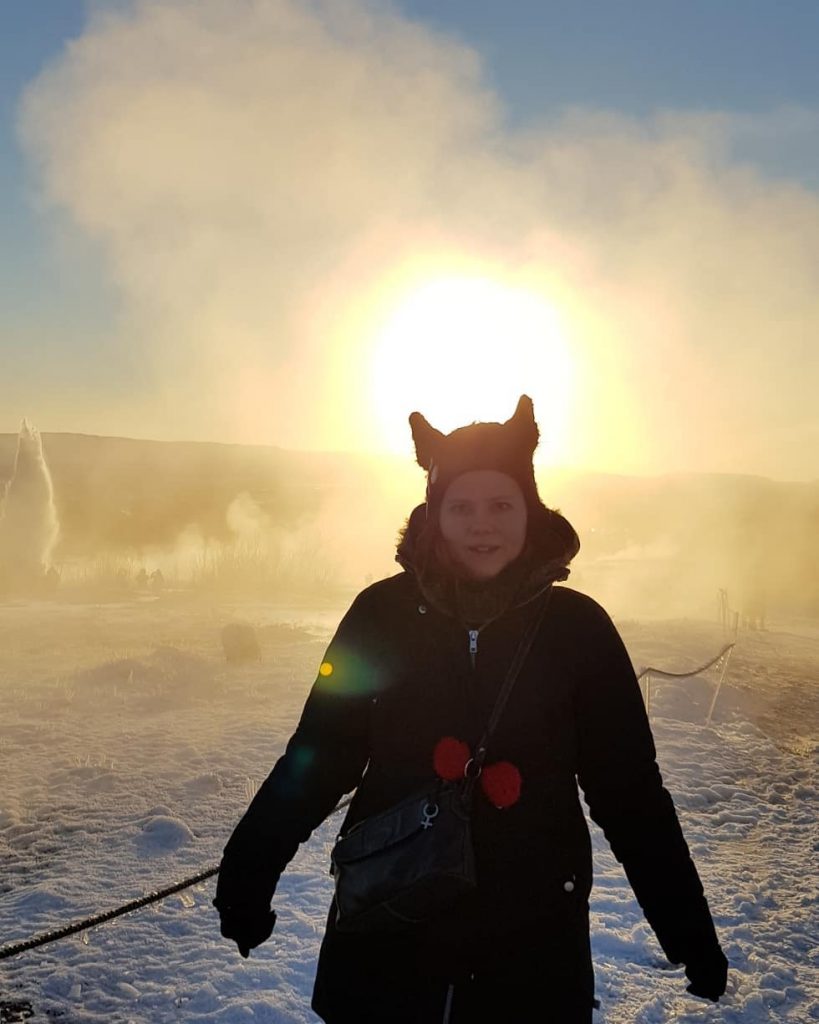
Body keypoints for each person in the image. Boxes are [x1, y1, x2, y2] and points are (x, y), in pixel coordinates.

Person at [214, 395, 728, 1023]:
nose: (482, 524)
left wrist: (688, 931)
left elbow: (630, 794)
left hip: (530, 947)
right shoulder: (380, 616)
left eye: (501, 505)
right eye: (461, 507)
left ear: (530, 511)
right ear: (435, 516)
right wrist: (248, 874)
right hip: (392, 933)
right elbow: (318, 756)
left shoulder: (579, 630)